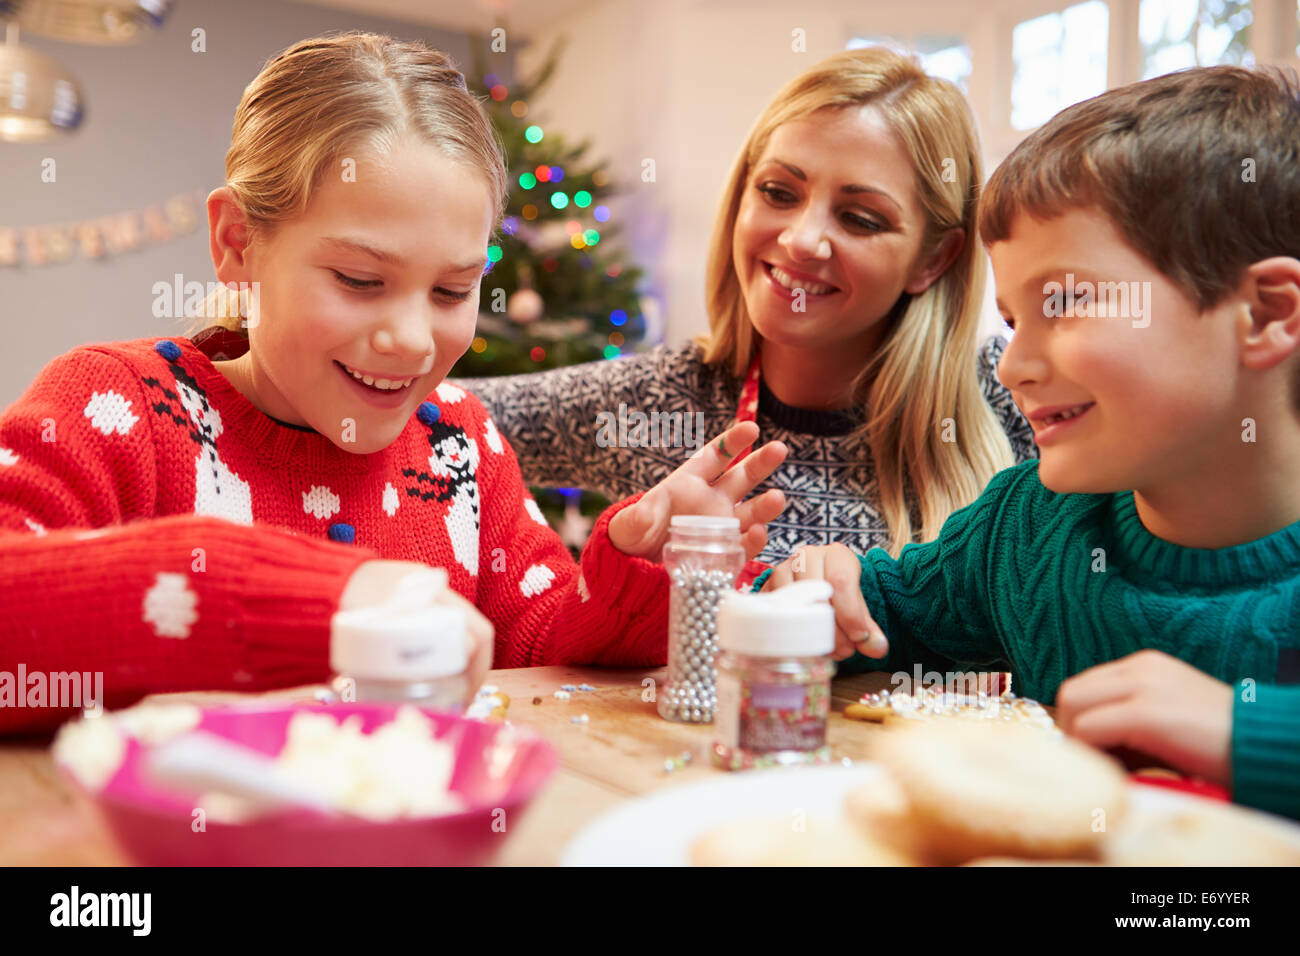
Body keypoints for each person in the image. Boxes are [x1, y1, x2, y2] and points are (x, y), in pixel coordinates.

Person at [0, 33, 786, 734]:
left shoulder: (459, 442)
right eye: (360, 279)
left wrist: (637, 573)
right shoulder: (117, 411)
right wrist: (322, 599)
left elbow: (545, 649)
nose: (411, 339)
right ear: (238, 243)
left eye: (451, 292)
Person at [759, 65, 1300, 821]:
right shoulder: (1030, 526)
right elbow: (887, 613)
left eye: (1069, 302)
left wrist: (1249, 737)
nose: (1013, 364)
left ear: (1266, 314)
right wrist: (812, 595)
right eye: (1013, 321)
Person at [457, 46, 1034, 568]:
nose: (802, 240)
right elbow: (426, 414)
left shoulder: (1012, 403)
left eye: (861, 219)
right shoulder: (659, 398)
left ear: (933, 260)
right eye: (779, 192)